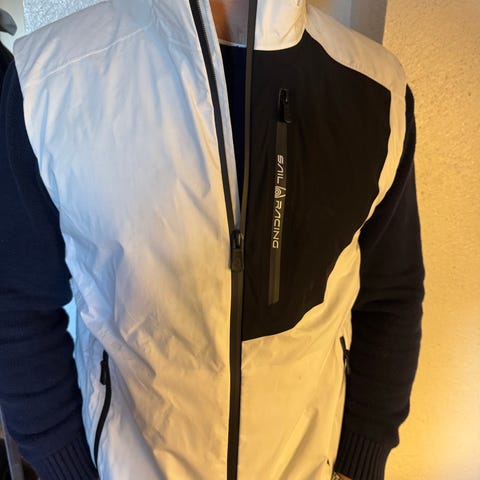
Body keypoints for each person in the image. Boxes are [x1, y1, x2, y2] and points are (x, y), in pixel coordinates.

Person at [0, 0, 424, 479]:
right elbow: (19, 309)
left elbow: (391, 296)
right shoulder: (52, 80)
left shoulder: (375, 89)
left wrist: (358, 464)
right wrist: (67, 469)